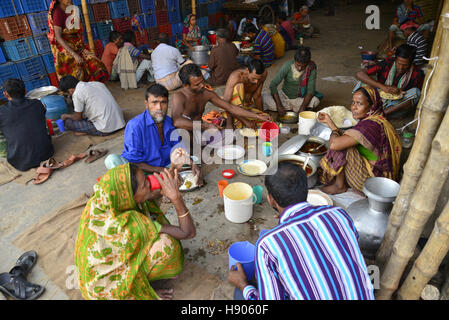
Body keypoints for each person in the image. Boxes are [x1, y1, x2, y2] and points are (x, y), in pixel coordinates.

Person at [228, 161, 375, 300]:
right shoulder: (339, 214)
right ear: (307, 190)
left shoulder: (268, 244)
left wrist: (243, 284)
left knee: (242, 293)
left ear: (271, 199)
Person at [74, 163, 196, 300]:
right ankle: (140, 288)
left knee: (149, 214)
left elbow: (148, 194)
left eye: (146, 178)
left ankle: (139, 276)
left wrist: (169, 176)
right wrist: (176, 197)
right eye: (145, 185)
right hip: (107, 292)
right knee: (167, 245)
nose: (149, 183)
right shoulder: (131, 224)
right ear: (127, 196)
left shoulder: (102, 199)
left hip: (92, 279)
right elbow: (187, 232)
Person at [105, 84, 202, 183]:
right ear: (146, 104)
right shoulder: (135, 126)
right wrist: (162, 171)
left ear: (168, 103)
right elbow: (134, 162)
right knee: (112, 160)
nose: (159, 107)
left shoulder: (168, 122)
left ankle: (159, 182)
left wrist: (192, 163)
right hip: (142, 171)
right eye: (154, 103)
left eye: (163, 102)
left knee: (195, 161)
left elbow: (178, 148)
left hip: (166, 166)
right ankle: (153, 182)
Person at [318, 87, 402, 195]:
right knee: (345, 140)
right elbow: (347, 137)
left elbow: (335, 144)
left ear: (372, 106)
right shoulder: (377, 119)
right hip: (380, 176)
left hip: (373, 184)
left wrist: (334, 132)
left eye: (359, 104)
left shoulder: (370, 126)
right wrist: (329, 122)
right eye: (353, 102)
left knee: (341, 146)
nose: (354, 107)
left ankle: (339, 186)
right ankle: (342, 182)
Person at [171, 63, 270, 144]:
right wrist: (207, 126)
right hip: (185, 134)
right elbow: (177, 122)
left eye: (202, 81)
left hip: (201, 130)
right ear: (186, 85)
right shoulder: (179, 96)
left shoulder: (206, 93)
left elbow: (231, 108)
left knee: (232, 137)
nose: (202, 86)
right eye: (197, 84)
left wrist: (258, 117)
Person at [355, 44, 424, 116]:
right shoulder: (388, 63)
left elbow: (414, 96)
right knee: (363, 81)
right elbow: (359, 74)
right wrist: (383, 87)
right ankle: (367, 108)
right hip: (377, 99)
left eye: (405, 65)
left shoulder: (417, 73)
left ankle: (381, 114)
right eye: (398, 63)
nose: (401, 67)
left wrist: (400, 91)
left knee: (416, 92)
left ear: (411, 63)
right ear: (395, 59)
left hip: (394, 108)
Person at [47, 0, 108, 82]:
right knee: (76, 77)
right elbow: (58, 37)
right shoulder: (57, 12)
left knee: (97, 66)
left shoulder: (71, 7)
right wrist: (74, 54)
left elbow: (76, 31)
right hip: (66, 50)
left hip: (78, 46)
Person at [0, 79, 54, 171]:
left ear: (5, 94)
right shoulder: (38, 103)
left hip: (20, 162)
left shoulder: (1, 111)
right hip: (47, 153)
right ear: (25, 91)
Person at [263, 46, 322, 115]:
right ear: (294, 61)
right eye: (298, 65)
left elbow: (310, 91)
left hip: (299, 99)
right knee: (264, 97)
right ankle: (292, 109)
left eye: (303, 66)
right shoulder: (287, 66)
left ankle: (291, 109)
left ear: (307, 63)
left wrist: (302, 107)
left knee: (315, 101)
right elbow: (273, 84)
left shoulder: (311, 69)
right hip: (284, 96)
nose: (300, 68)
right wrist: (279, 105)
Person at [58, 75, 125, 136]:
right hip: (120, 122)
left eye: (68, 94)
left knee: (68, 122)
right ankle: (87, 130)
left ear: (71, 90)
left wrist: (66, 116)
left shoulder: (77, 93)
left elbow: (78, 117)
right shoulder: (97, 83)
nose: (69, 95)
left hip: (106, 128)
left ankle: (88, 132)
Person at [222, 59, 269, 129]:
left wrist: (261, 115)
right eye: (254, 78)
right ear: (247, 70)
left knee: (268, 119)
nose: (256, 82)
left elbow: (257, 96)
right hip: (230, 108)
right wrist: (244, 121)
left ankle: (241, 120)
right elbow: (226, 104)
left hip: (245, 108)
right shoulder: (235, 77)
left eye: (258, 79)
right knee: (239, 86)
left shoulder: (263, 74)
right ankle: (232, 121)